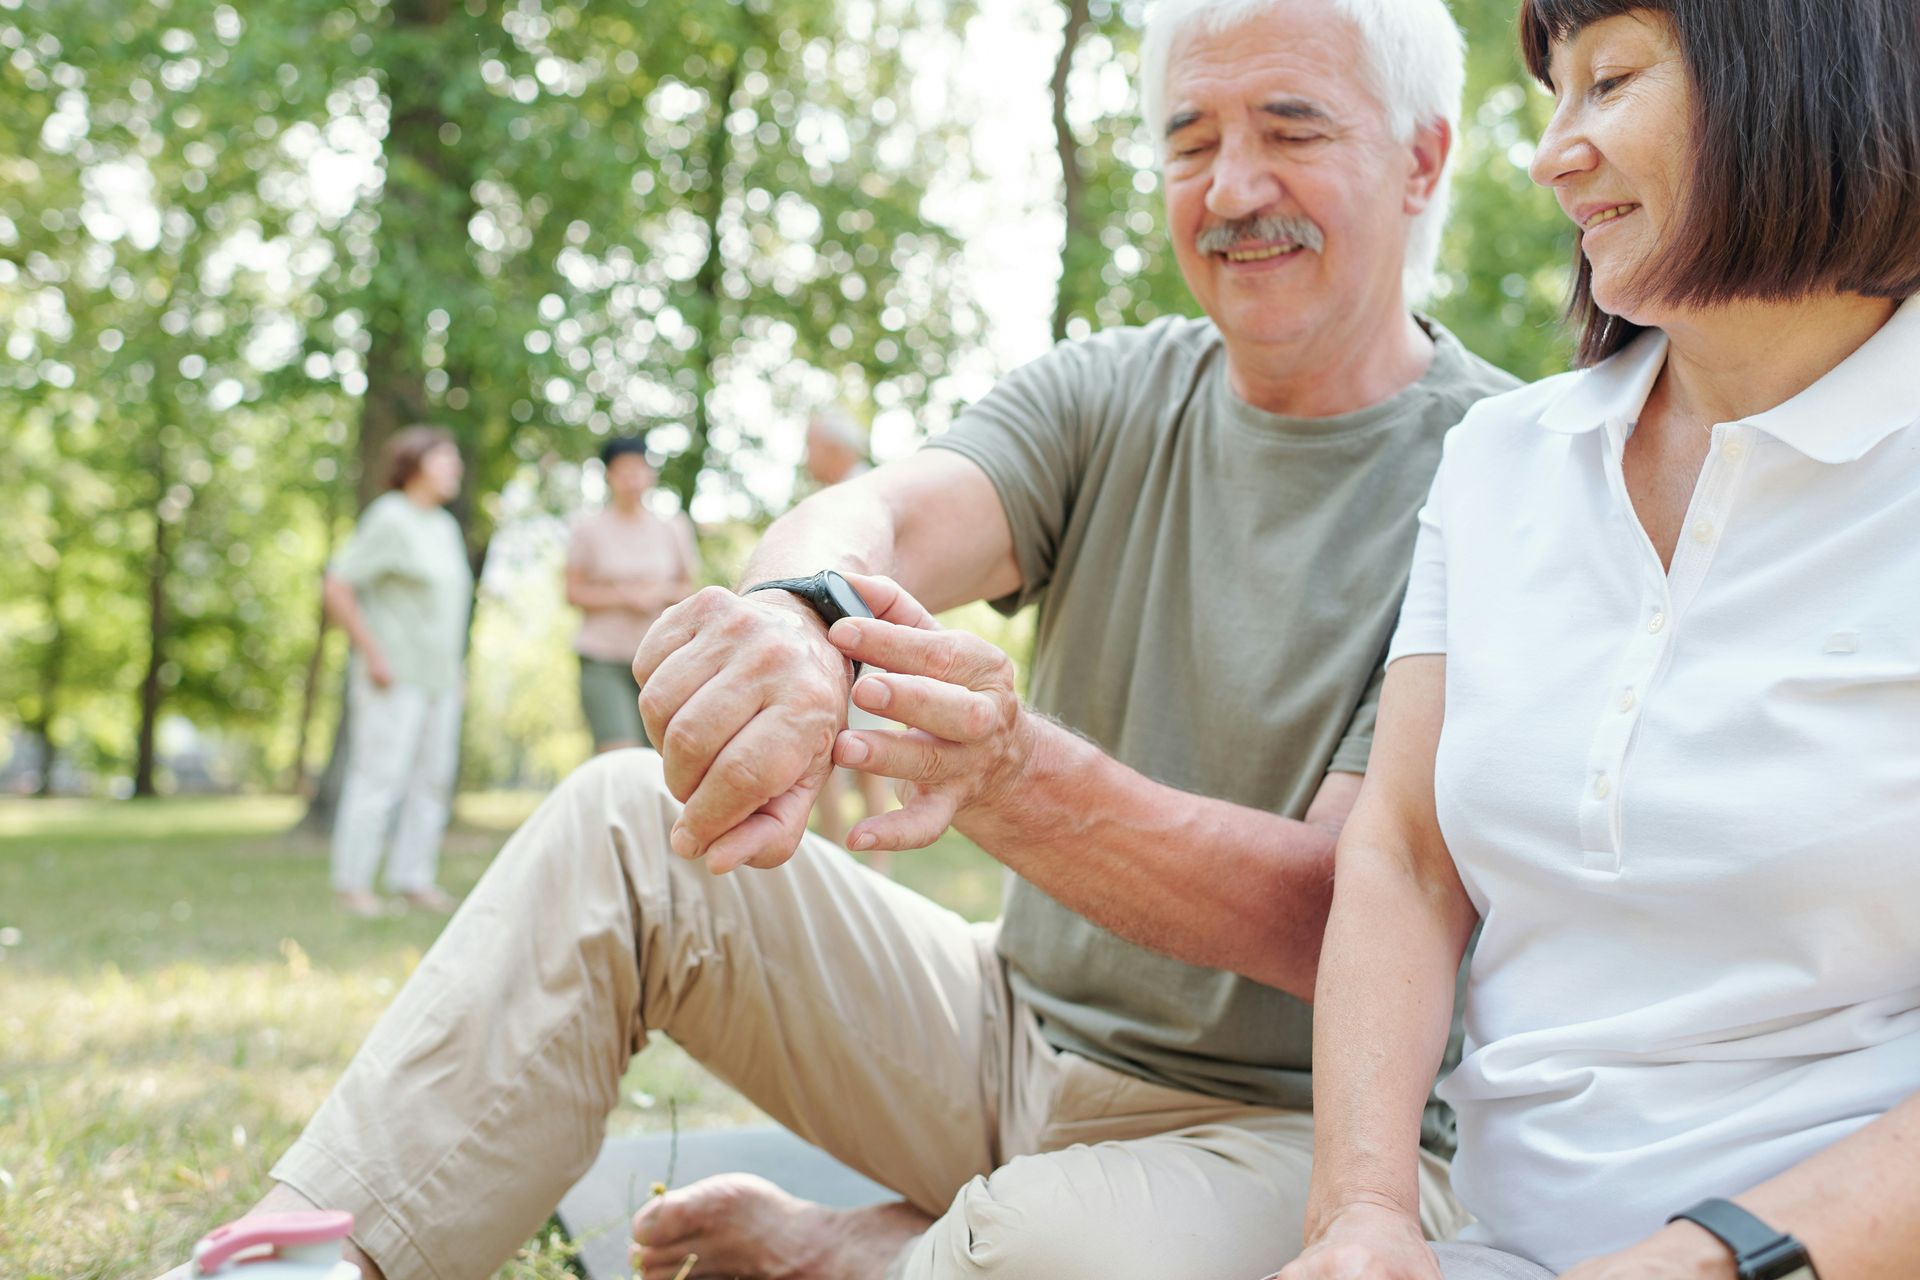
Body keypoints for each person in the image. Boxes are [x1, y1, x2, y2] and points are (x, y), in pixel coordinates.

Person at [202, 0, 1518, 1275]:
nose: (1231, 188)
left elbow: (1340, 916)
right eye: (1190, 141)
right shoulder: (1110, 390)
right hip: (1008, 1039)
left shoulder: (1508, 478)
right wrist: (794, 618)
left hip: (1289, 1133)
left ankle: (865, 1249)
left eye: (1290, 131)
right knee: (623, 827)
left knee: (1045, 1253)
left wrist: (1012, 780)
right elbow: (877, 511)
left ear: (1421, 159)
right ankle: (299, 1267)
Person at [1274, 3, 1920, 1278]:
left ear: (1800, 76)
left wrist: (1704, 1260)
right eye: (1552, 94)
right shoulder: (1501, 461)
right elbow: (1402, 857)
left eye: (1609, 81)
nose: (1550, 152)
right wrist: (1362, 1216)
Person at [321, 425, 471, 918]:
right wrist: (374, 653)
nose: (456, 469)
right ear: (415, 464)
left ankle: (413, 878)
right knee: (379, 778)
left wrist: (457, 672)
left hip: (440, 679)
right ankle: (354, 884)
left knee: (433, 780)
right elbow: (338, 586)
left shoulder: (445, 527)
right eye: (445, 459)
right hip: (394, 674)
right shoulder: (389, 517)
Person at [799, 408, 896, 863]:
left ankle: (869, 866)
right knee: (839, 753)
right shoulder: (845, 494)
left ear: (835, 449)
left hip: (863, 645)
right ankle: (849, 863)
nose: (805, 459)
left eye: (810, 447)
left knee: (863, 755)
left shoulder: (858, 498)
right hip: (847, 644)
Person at [564, 438, 699, 753]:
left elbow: (688, 591)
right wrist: (623, 597)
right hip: (603, 658)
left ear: (651, 474)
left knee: (662, 755)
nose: (632, 480)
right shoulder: (588, 529)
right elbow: (573, 592)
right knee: (619, 754)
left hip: (660, 659)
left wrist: (659, 592)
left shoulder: (673, 528)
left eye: (639, 471)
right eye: (623, 472)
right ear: (608, 476)